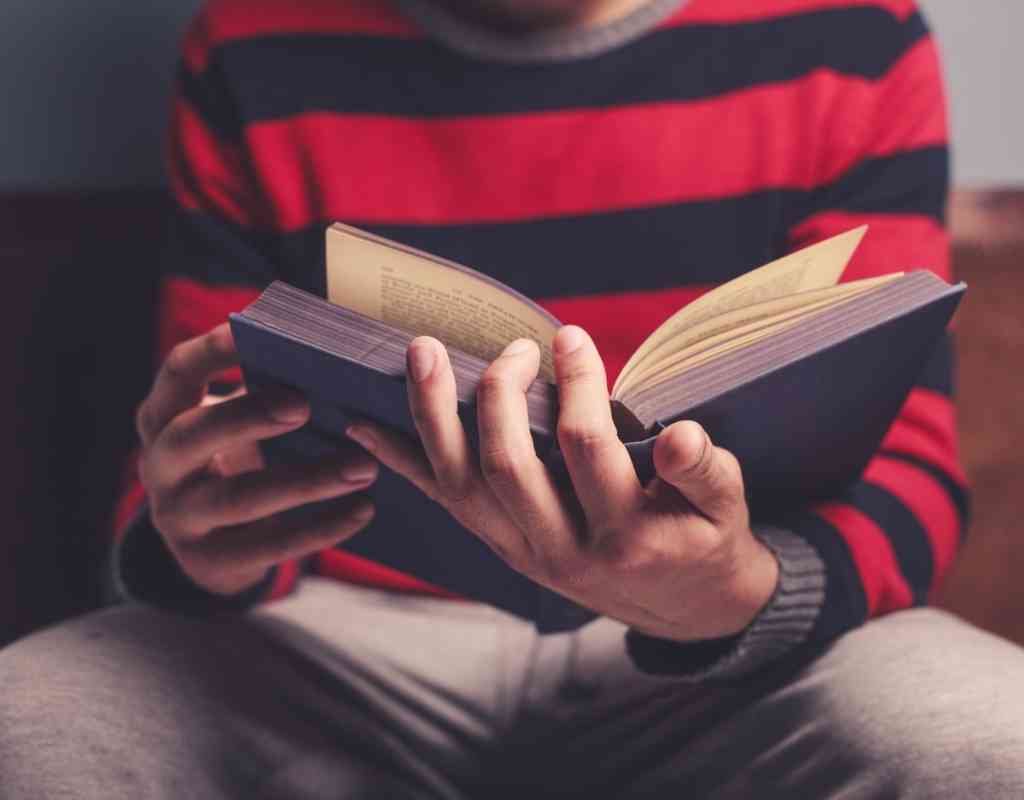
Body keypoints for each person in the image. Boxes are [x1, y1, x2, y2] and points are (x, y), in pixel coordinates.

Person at [3, 0, 1024, 797]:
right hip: (336, 637)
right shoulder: (249, 46)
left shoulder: (852, 38)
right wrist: (186, 540)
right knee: (30, 728)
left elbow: (912, 467)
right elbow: (205, 428)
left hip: (730, 650)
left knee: (993, 739)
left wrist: (736, 593)